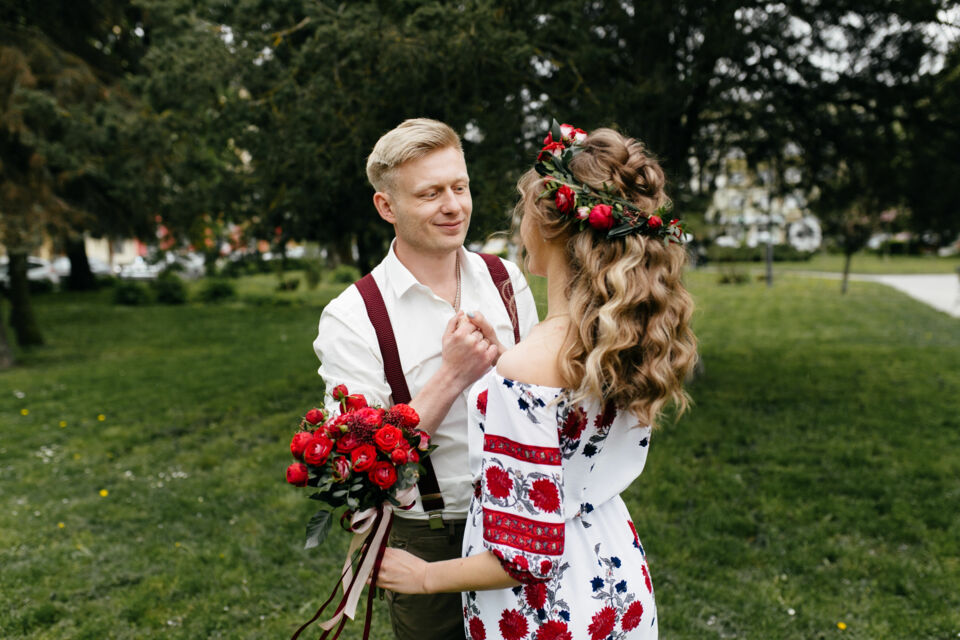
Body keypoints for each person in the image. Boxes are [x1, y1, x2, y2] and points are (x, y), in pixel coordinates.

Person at [374, 124, 698, 640]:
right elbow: (572, 430)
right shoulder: (622, 336)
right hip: (612, 571)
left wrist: (425, 575)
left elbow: (526, 552)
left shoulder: (529, 366)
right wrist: (505, 368)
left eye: (524, 210)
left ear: (551, 228)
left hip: (546, 610)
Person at [312, 118, 539, 640]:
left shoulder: (505, 279)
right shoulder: (353, 315)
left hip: (522, 513)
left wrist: (505, 364)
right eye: (430, 193)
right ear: (386, 207)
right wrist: (452, 375)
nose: (454, 205)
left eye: (459, 187)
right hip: (430, 531)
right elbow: (358, 467)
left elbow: (544, 405)